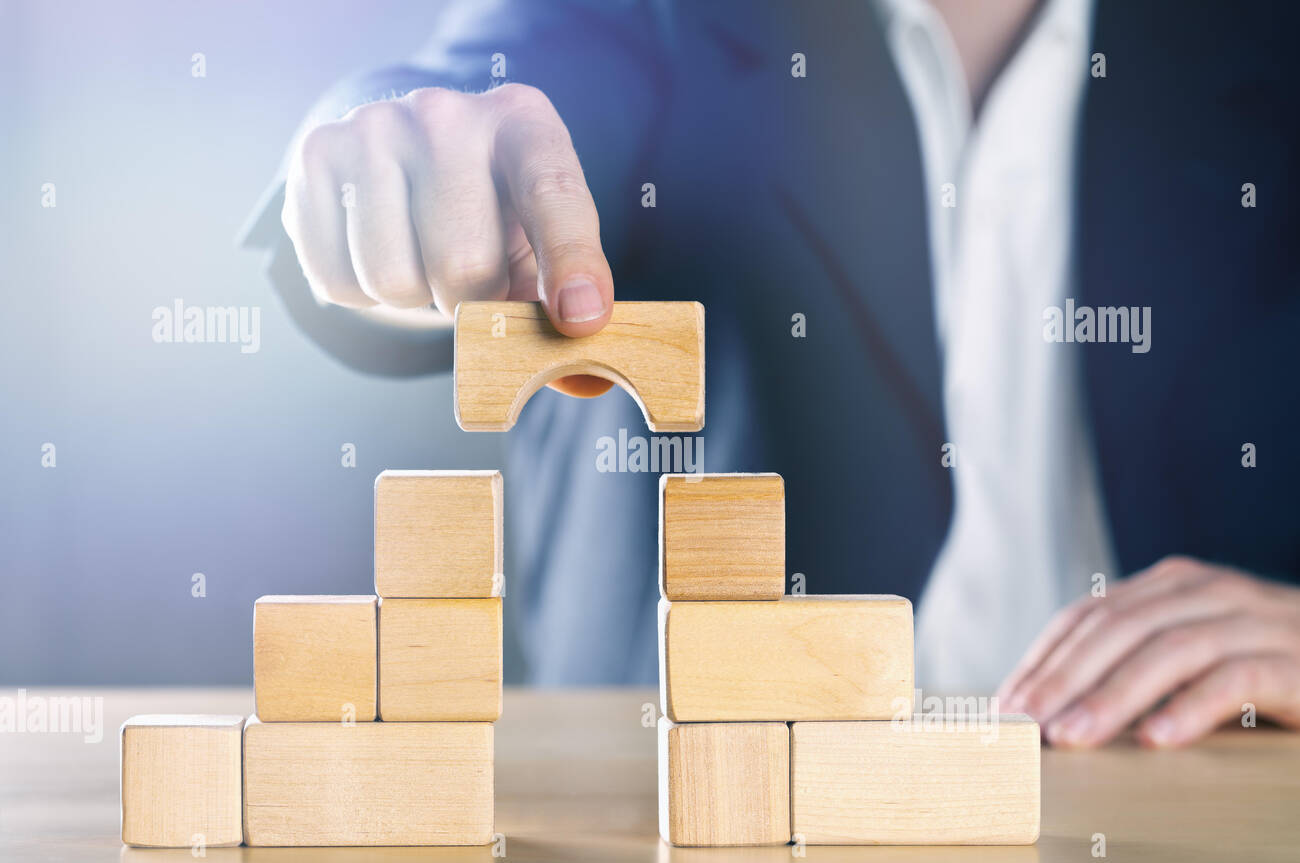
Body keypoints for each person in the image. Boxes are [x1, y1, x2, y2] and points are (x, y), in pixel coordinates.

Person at [242, 0, 1300, 747]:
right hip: (707, 842)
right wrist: (395, 165)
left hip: (1172, 824)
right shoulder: (658, 18)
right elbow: (470, 89)